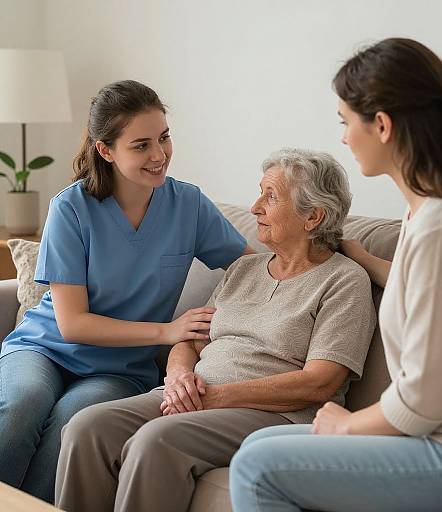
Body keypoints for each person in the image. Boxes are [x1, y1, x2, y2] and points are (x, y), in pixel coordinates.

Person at [229, 38, 442, 512]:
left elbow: (423, 402)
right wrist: (368, 259)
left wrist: (346, 425)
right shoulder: (429, 213)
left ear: (381, 125)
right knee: (257, 447)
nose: (342, 137)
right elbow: (432, 290)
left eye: (345, 122)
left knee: (257, 468)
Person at [54, 148, 376, 512]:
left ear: (313, 217)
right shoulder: (244, 270)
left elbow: (320, 382)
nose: (255, 207)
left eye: (271, 196)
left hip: (274, 413)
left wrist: (214, 397)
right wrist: (177, 377)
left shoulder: (344, 281)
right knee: (88, 427)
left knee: (156, 441)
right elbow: (190, 340)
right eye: (260, 193)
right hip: (195, 396)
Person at [0, 80, 250, 503]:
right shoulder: (71, 208)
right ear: (106, 150)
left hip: (117, 370)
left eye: (164, 138)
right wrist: (166, 332)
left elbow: (254, 267)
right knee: (21, 403)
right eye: (141, 145)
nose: (159, 155)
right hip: (45, 347)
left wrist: (336, 253)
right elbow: (73, 323)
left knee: (74, 420)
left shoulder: (188, 205)